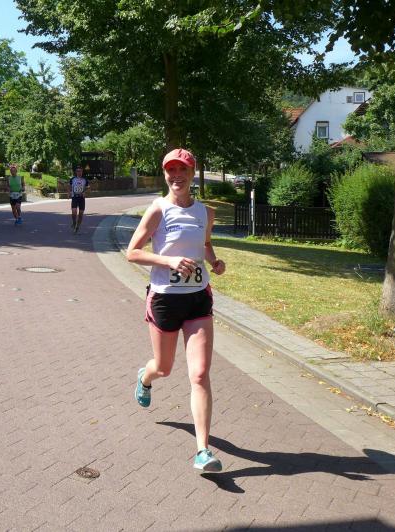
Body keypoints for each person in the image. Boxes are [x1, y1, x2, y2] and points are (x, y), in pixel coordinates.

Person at [126, 148, 227, 472]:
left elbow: (205, 243)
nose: (176, 176)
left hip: (198, 297)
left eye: (183, 170)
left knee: (199, 373)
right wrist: (168, 260)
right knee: (164, 367)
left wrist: (214, 261)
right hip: (165, 299)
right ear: (165, 174)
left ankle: (203, 451)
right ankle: (145, 377)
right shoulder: (158, 210)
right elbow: (132, 252)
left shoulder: (205, 212)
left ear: (192, 173)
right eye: (171, 170)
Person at [69, 165, 88, 233]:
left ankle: (77, 226)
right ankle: (74, 222)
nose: (79, 172)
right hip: (74, 197)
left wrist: (85, 192)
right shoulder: (72, 179)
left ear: (82, 172)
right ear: (76, 172)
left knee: (81, 214)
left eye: (80, 171)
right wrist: (69, 193)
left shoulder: (85, 180)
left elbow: (88, 188)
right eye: (78, 171)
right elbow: (69, 186)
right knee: (74, 212)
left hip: (81, 198)